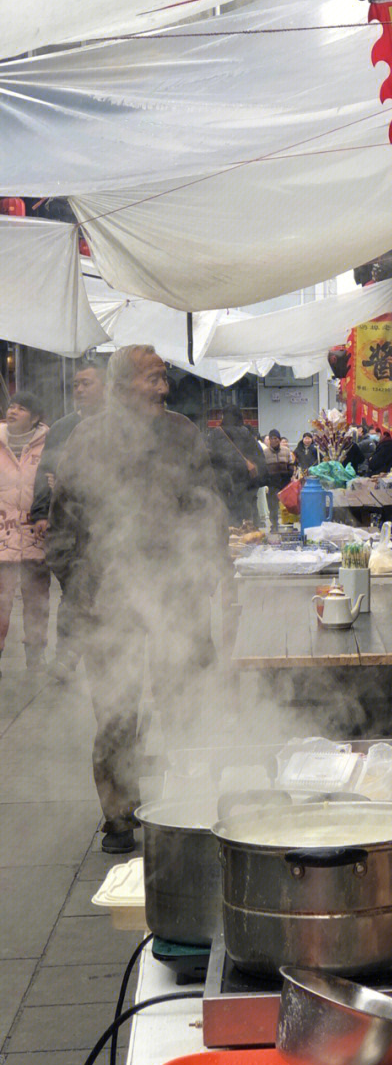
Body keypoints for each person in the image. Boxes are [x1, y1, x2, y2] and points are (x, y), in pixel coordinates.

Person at [47, 346, 225, 853]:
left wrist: (208, 572)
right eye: (152, 379)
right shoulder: (88, 439)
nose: (163, 387)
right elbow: (63, 527)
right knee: (117, 710)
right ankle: (119, 814)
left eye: (164, 377)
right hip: (112, 596)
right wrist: (82, 588)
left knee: (184, 700)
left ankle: (187, 800)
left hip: (176, 590)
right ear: (123, 385)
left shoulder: (181, 434)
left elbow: (207, 506)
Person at [29, 357, 107, 677]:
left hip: (108, 524)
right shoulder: (62, 427)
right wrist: (40, 512)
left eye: (86, 383)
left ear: (107, 386)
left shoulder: (119, 425)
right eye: (75, 384)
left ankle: (97, 650)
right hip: (68, 525)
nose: (78, 390)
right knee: (72, 590)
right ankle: (67, 654)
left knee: (101, 591)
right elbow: (45, 471)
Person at [0, 392, 51, 676]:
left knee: (37, 601)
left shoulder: (49, 444)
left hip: (36, 536)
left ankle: (36, 658)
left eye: (21, 408)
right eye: (11, 406)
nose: (14, 411)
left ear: (35, 417)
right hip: (2, 537)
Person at [207, 405, 267, 526]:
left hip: (223, 481)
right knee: (247, 511)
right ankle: (250, 534)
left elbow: (209, 456)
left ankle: (228, 535)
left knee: (226, 511)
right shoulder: (245, 433)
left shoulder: (215, 434)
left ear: (224, 416)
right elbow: (258, 456)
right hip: (245, 481)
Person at [261, 429, 294, 527]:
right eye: (271, 438)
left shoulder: (286, 450)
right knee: (273, 505)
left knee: (288, 504)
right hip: (273, 483)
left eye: (275, 438)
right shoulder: (265, 453)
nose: (273, 441)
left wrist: (290, 472)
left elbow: (291, 463)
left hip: (285, 482)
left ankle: (289, 524)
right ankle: (274, 524)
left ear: (279, 440)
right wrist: (267, 479)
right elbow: (263, 467)